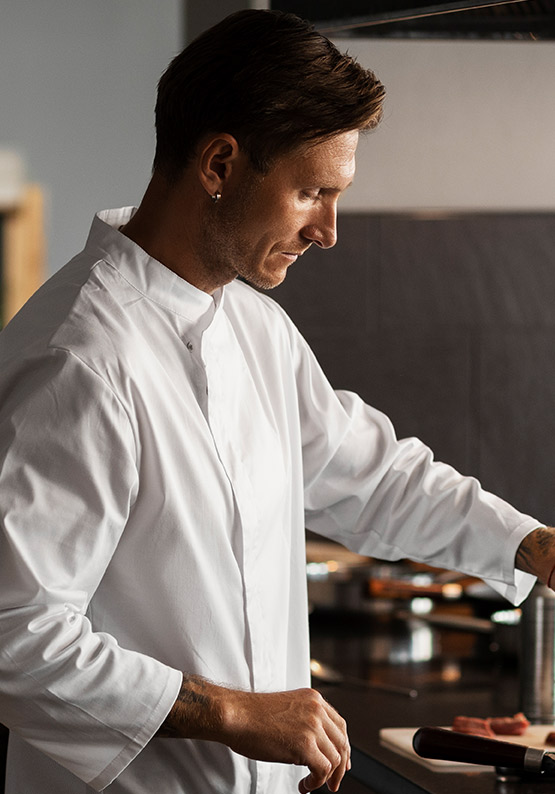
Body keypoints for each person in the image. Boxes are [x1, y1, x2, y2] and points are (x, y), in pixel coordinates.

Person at [0, 8, 553, 794]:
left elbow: (373, 476)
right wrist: (233, 713)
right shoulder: (79, 360)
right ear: (220, 163)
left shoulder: (253, 325)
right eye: (310, 192)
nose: (328, 230)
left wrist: (534, 546)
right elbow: (15, 635)